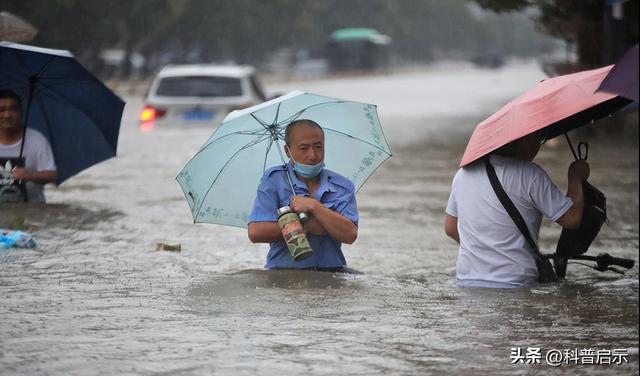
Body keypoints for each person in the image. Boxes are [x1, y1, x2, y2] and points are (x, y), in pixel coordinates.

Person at [444, 132, 590, 288]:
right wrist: (575, 178)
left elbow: (451, 228)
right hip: (515, 283)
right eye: (539, 139)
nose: (538, 147)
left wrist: (486, 248)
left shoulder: (463, 174)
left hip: (466, 281)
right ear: (524, 141)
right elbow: (572, 218)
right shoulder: (531, 174)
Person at [248, 119, 359, 271]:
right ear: (287, 151)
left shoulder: (342, 186)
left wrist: (314, 206)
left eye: (318, 147)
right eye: (304, 148)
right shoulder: (274, 180)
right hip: (283, 274)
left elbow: (350, 234)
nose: (312, 155)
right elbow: (256, 232)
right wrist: (307, 225)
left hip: (332, 273)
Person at [0, 89, 57, 203]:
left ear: (21, 112)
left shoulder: (37, 140)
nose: (7, 115)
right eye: (2, 110)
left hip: (33, 208)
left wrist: (31, 175)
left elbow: (53, 175)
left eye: (13, 109)